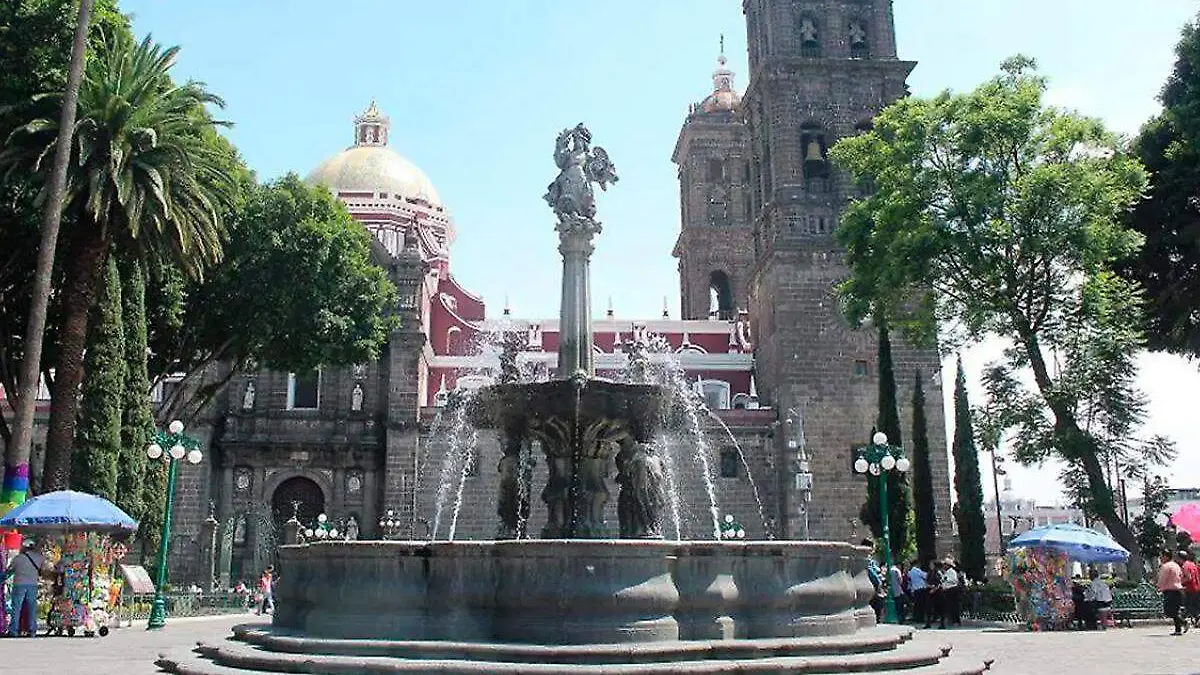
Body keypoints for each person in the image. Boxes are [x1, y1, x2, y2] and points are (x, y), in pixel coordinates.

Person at [6, 538, 46, 637]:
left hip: (19, 584)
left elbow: (10, 570)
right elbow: (43, 570)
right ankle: (32, 630)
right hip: (32, 585)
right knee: (32, 608)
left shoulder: (17, 558)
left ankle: (14, 630)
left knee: (16, 608)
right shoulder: (39, 557)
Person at [1158, 549, 1188, 635]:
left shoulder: (1166, 566)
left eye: (1162, 556)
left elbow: (1162, 578)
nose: (1161, 558)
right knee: (1175, 610)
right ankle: (1178, 629)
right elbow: (1181, 576)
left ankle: (1183, 622)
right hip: (1178, 589)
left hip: (1170, 590)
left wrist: (1159, 586)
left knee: (1169, 611)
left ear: (1166, 556)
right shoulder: (1176, 565)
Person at [1180, 550, 1200, 627]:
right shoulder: (1192, 564)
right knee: (1194, 605)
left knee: (1188, 606)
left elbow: (1189, 578)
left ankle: (1197, 617)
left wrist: (1180, 582)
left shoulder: (1185, 566)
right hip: (1197, 587)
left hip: (1190, 588)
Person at [938, 559, 960, 629]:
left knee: (953, 606)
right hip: (946, 591)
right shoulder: (946, 572)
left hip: (952, 590)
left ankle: (955, 621)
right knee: (947, 607)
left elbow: (954, 580)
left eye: (945, 564)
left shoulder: (952, 572)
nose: (943, 566)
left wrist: (946, 579)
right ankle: (949, 620)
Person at [908, 559, 928, 625]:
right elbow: (925, 576)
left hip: (915, 590)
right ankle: (921, 618)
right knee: (921, 605)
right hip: (921, 589)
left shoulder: (910, 572)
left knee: (916, 605)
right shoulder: (917, 570)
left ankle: (916, 618)